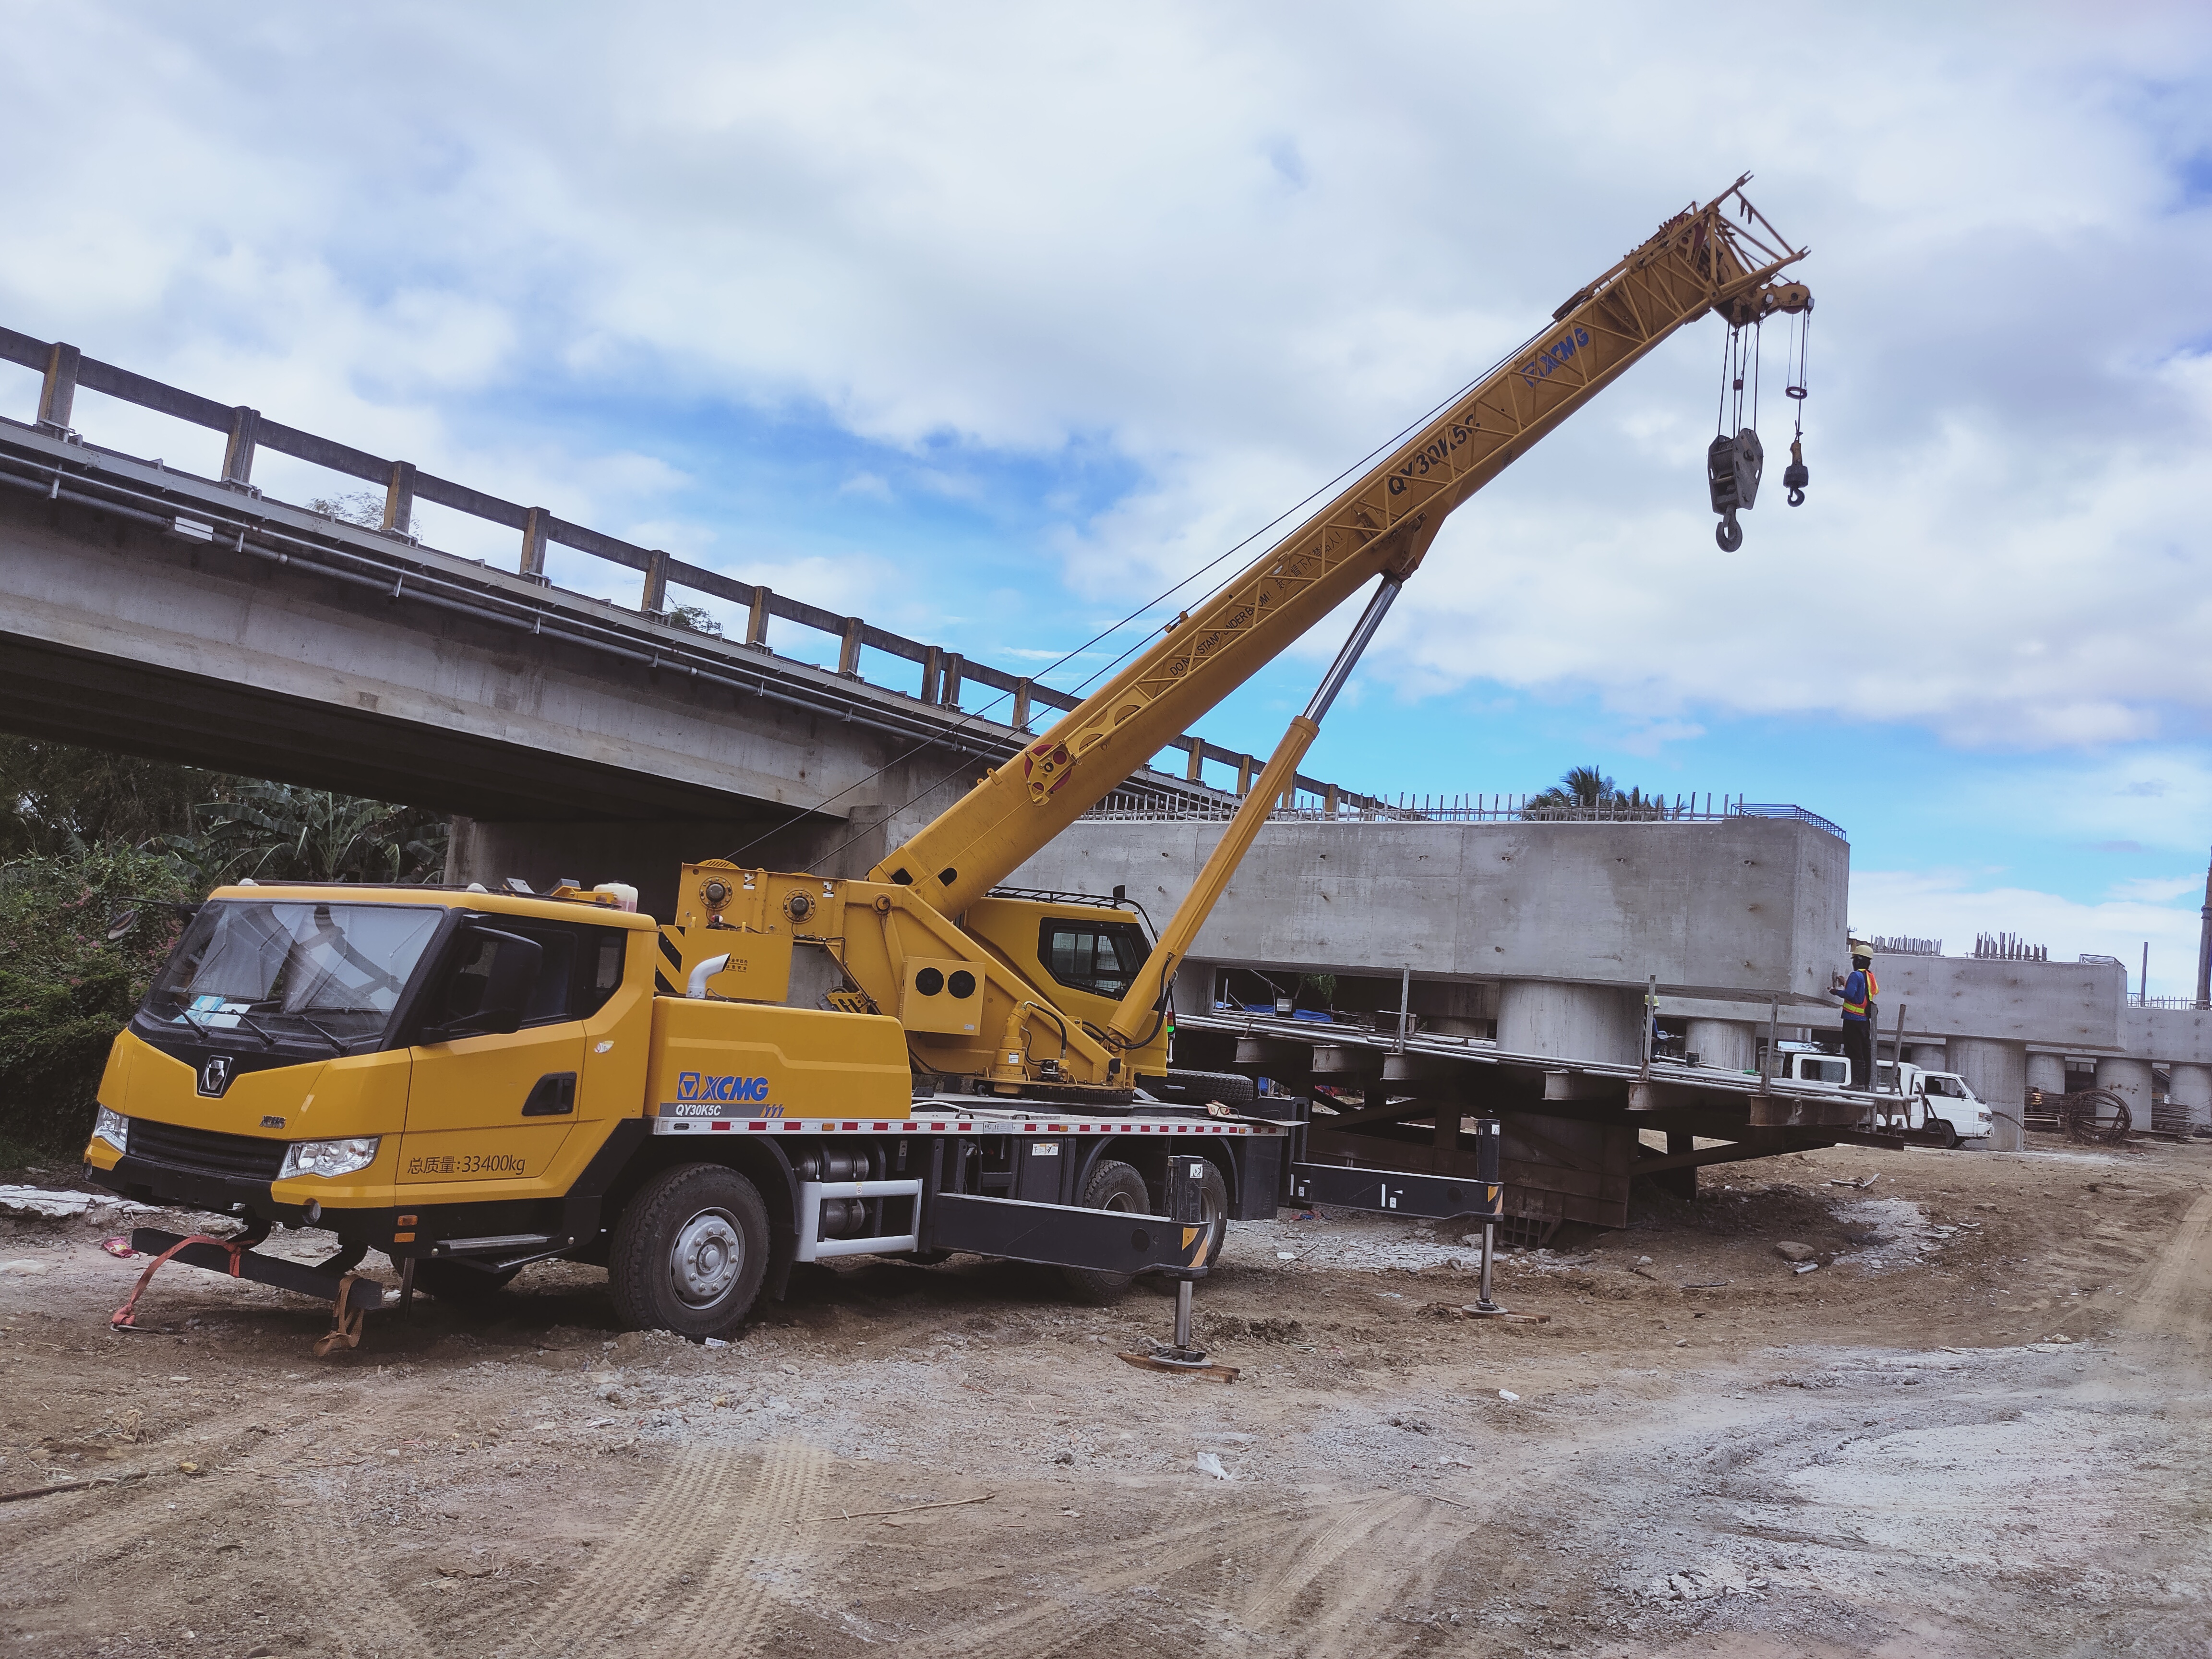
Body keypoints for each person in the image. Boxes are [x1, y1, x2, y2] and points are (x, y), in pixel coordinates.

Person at [1827, 942, 1878, 1087]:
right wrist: (1846, 984)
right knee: (1864, 1051)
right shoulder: (1869, 976)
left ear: (1858, 960)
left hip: (1852, 1020)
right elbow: (1861, 996)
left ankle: (1857, 1083)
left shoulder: (1856, 975)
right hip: (1863, 1021)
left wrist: (1835, 991)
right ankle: (1865, 1084)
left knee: (1854, 1051)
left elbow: (1851, 995)